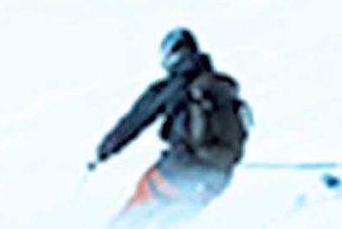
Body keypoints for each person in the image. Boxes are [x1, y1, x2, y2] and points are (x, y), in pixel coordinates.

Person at [90, 28, 251, 217]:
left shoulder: (173, 86)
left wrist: (105, 150)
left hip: (179, 169)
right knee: (174, 222)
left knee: (140, 204)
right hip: (218, 178)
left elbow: (136, 120)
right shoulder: (222, 87)